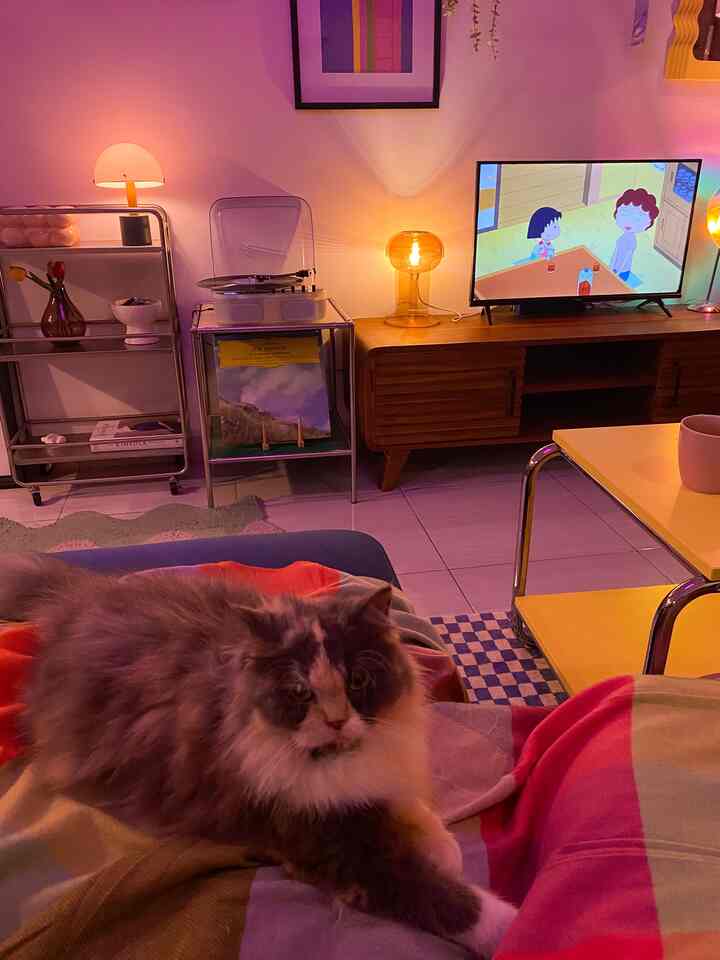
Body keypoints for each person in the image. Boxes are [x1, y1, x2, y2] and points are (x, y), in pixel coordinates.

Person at [610, 188, 659, 282]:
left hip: (622, 272)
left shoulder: (632, 241)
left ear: (648, 224)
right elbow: (616, 252)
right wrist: (611, 266)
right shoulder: (623, 237)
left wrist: (617, 273)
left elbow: (627, 259)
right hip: (614, 268)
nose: (629, 222)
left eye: (637, 219)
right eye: (624, 214)